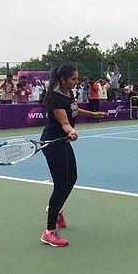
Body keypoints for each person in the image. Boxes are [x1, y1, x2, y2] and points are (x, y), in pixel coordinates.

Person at [39, 64, 107, 247]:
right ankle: (49, 232)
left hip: (63, 142)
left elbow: (73, 110)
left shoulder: (69, 94)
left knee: (72, 177)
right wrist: (70, 132)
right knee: (60, 184)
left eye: (77, 79)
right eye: (73, 79)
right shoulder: (55, 98)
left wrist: (93, 113)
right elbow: (64, 122)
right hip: (53, 143)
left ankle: (57, 209)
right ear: (63, 79)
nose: (76, 82)